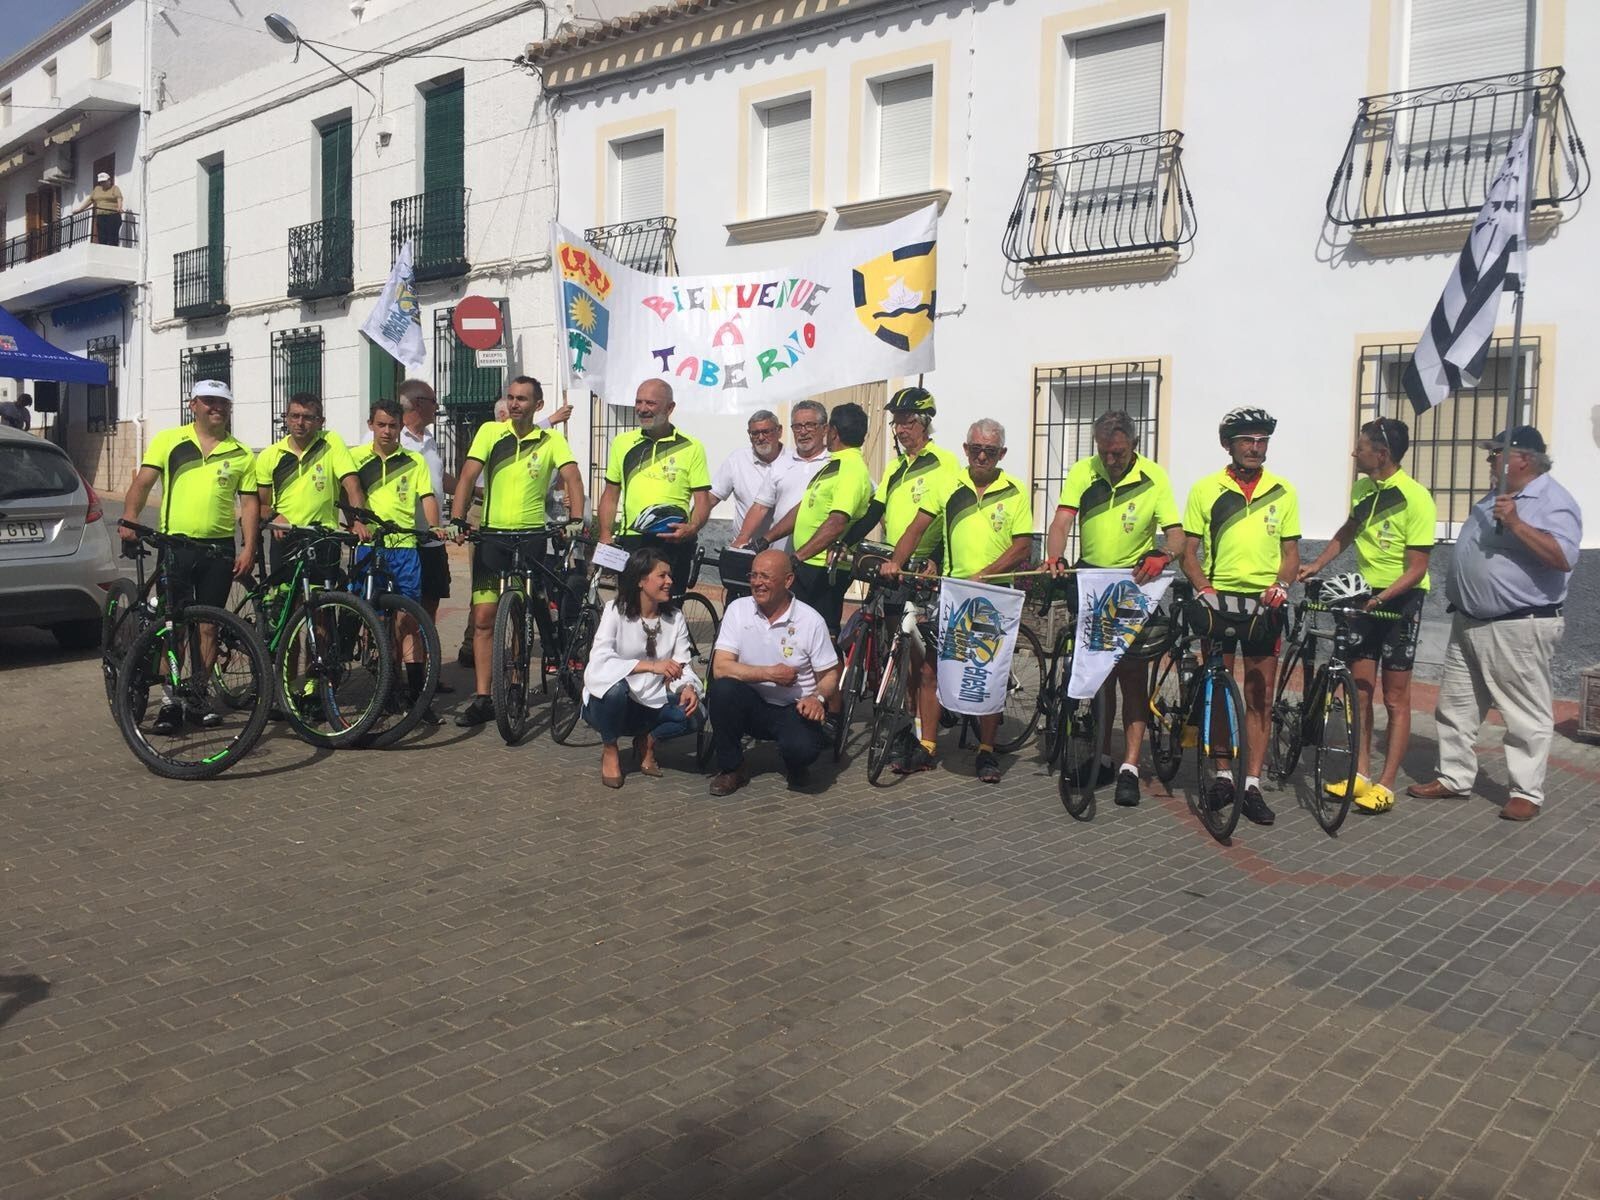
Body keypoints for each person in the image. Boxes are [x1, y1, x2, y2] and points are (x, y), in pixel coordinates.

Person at [1406, 426, 1580, 822]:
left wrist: (1517, 524)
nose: (1490, 460)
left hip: (1517, 625)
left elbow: (1562, 557)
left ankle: (1526, 792)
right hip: (1469, 621)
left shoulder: (1552, 500)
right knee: (1456, 706)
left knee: (1524, 714)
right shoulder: (1497, 497)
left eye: (1496, 453)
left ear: (1523, 459)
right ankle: (1454, 776)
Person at [1045, 411, 1183, 807]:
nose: (1110, 460)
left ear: (1134, 446)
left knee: (1132, 678)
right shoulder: (1082, 471)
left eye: (1118, 454)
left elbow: (1176, 534)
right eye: (1104, 452)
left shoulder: (1154, 477)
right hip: (1092, 580)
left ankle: (1130, 767)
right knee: (1100, 674)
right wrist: (1055, 556)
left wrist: (1163, 554)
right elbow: (1060, 523)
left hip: (1134, 584)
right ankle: (1103, 758)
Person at [1298, 417, 1436, 815]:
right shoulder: (1363, 487)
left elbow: (1417, 568)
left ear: (1382, 453)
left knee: (1395, 697)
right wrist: (1317, 565)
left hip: (1401, 599)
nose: (1354, 452)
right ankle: (1360, 774)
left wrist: (1383, 599)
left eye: (1360, 447)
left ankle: (1386, 783)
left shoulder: (1416, 498)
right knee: (1359, 689)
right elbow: (1349, 530)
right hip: (1365, 595)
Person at [884, 419, 1034, 782]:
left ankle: (986, 751)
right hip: (954, 594)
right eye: (977, 449)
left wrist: (985, 574)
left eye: (991, 451)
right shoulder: (948, 485)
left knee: (987, 674)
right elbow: (917, 528)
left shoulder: (1015, 491)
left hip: (995, 596)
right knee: (931, 668)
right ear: (966, 450)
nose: (983, 455)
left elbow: (1023, 546)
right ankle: (929, 746)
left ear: (1002, 454)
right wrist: (896, 562)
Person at [1179, 407, 1301, 827]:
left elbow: (1290, 555)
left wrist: (1282, 586)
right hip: (1220, 598)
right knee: (1216, 688)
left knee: (1259, 695)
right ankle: (1223, 777)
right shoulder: (1204, 489)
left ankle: (1252, 784)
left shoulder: (1282, 490)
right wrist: (1203, 588)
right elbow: (1189, 552)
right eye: (1247, 440)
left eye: (1262, 440)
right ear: (1228, 444)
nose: (1255, 448)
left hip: (1264, 603)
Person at [118, 380, 258, 733]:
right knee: (174, 625)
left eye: (223, 402)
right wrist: (130, 519)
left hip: (218, 547)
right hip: (176, 545)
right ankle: (170, 701)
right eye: (209, 401)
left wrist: (250, 546)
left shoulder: (241, 452)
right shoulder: (170, 440)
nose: (217, 408)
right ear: (193, 404)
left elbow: (249, 503)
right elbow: (144, 482)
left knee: (210, 625)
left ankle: (197, 696)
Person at [450, 376, 585, 727]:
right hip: (492, 537)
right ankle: (483, 697)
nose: (514, 404)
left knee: (524, 614)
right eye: (510, 397)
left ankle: (514, 685)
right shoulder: (490, 434)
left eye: (522, 399)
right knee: (483, 618)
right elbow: (466, 476)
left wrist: (576, 517)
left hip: (531, 537)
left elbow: (573, 478)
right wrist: (457, 518)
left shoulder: (551, 439)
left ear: (538, 405)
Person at [707, 548, 840, 794]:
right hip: (752, 704)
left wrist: (817, 698)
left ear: (788, 580)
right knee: (723, 689)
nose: (757, 583)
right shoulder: (738, 609)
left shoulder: (811, 621)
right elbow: (720, 667)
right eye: (753, 575)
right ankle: (731, 768)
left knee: (802, 749)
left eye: (766, 577)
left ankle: (795, 763)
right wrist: (768, 674)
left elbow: (830, 675)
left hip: (794, 707)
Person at [352, 399, 443, 723]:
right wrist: (353, 522)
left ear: (400, 427)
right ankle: (386, 691)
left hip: (405, 548)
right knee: (377, 623)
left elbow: (427, 498)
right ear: (371, 426)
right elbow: (346, 495)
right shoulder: (355, 460)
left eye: (393, 425)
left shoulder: (414, 461)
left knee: (409, 622)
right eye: (381, 425)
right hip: (371, 549)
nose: (388, 431)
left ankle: (418, 697)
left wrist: (433, 527)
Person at [583, 548, 703, 787]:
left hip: (650, 703)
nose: (669, 581)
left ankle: (647, 741)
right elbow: (600, 661)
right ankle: (610, 748)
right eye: (662, 576)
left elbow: (682, 664)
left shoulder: (675, 617)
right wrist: (651, 666)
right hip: (612, 705)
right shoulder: (615, 611)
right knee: (616, 690)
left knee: (696, 714)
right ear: (640, 579)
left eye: (669, 576)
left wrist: (687, 686)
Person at [762, 402, 875, 638]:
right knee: (795, 634)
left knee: (819, 638)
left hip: (823, 569)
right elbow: (804, 508)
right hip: (807, 565)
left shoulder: (851, 468)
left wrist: (798, 557)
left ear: (832, 431)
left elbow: (837, 522)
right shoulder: (834, 464)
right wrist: (766, 538)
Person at [596, 378, 712, 590]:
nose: (642, 409)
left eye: (650, 403)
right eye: (638, 402)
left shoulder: (691, 447)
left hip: (673, 541)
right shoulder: (623, 443)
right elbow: (610, 494)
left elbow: (702, 500)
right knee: (629, 611)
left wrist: (692, 528)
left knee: (669, 610)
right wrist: (604, 534)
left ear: (670, 408)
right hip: (632, 540)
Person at [255, 392, 368, 566]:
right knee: (285, 592)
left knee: (325, 592)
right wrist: (274, 517)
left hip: (324, 535)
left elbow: (352, 486)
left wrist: (358, 521)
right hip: (286, 534)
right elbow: (261, 505)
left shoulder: (331, 442)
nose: (300, 423)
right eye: (295, 416)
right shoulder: (269, 455)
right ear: (286, 418)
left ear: (320, 422)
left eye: (307, 417)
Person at [399, 380, 454, 691]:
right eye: (434, 401)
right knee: (404, 612)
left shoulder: (430, 439)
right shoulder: (392, 437)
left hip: (433, 536)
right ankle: (398, 678)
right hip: (404, 537)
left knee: (430, 606)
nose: (438, 407)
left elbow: (438, 477)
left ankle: (427, 674)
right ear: (419, 404)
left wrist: (469, 490)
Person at [731, 399, 832, 553]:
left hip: (819, 558)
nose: (803, 432)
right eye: (797, 427)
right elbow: (760, 507)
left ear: (824, 429)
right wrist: (741, 540)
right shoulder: (781, 463)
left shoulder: (835, 462)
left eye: (810, 425)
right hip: (780, 558)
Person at [711, 409, 785, 542]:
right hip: (745, 548)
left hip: (783, 551)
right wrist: (691, 526)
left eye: (766, 432)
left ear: (779, 431)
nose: (761, 438)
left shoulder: (793, 461)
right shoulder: (737, 460)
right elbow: (711, 497)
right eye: (755, 433)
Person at [73, 171, 124, 246]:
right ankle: (103, 253)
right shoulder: (97, 189)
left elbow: (119, 198)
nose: (102, 183)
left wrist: (119, 208)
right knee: (102, 237)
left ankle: (112, 253)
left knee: (112, 237)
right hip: (101, 216)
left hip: (113, 215)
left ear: (109, 180)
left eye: (104, 181)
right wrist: (80, 209)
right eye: (101, 182)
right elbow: (90, 200)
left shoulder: (114, 188)